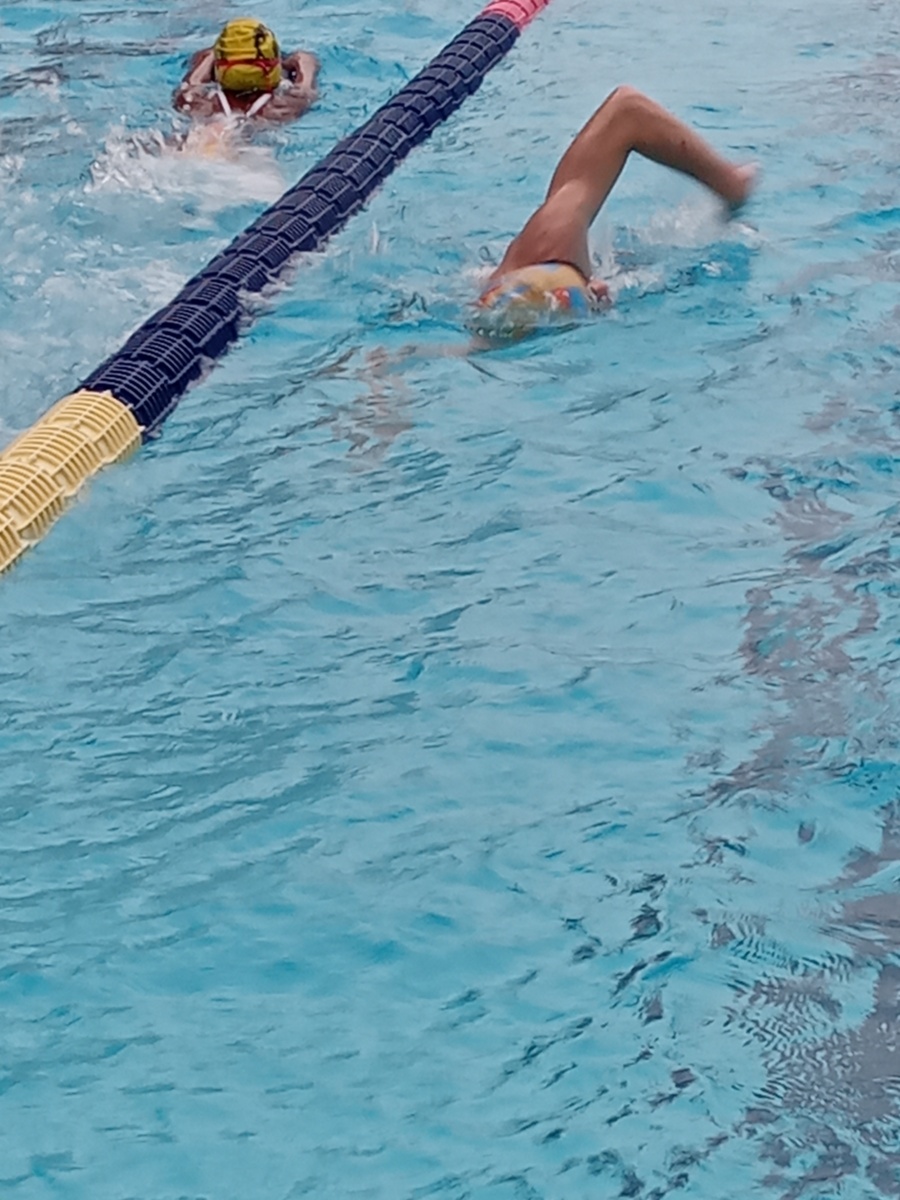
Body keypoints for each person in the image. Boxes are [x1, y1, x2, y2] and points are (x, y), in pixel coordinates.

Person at [471, 86, 757, 339]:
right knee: (625, 112)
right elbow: (628, 110)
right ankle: (730, 185)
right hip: (544, 263)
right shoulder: (550, 241)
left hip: (536, 287)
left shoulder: (511, 288)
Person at [173, 17, 318, 125]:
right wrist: (305, 82)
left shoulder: (198, 104)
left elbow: (194, 80)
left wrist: (220, 53)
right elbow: (305, 60)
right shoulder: (284, 107)